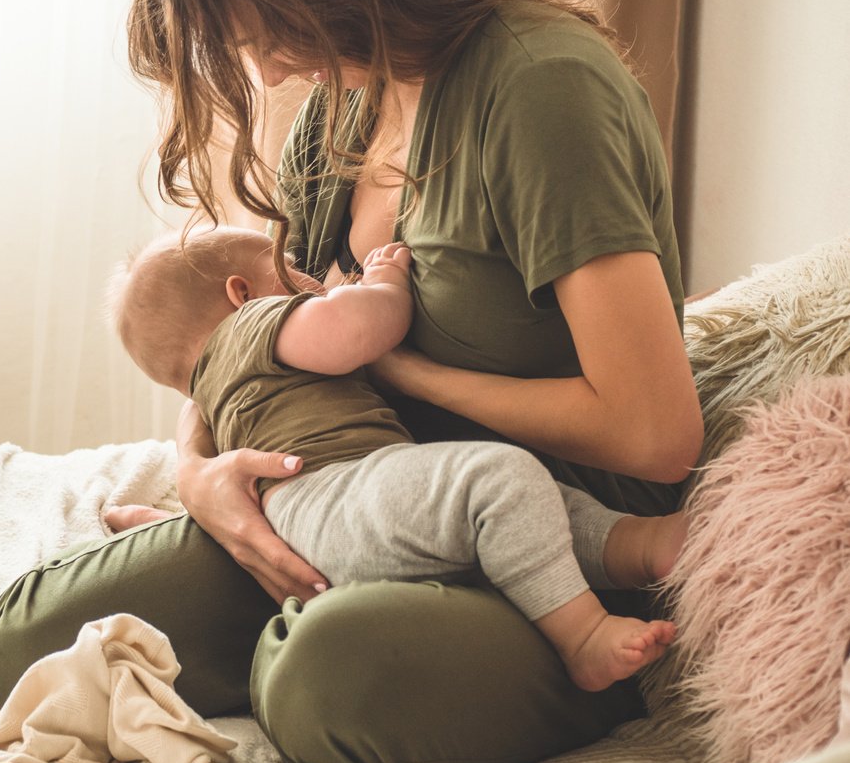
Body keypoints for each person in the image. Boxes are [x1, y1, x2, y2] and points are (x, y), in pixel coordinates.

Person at [0, 0, 704, 763]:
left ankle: (565, 666)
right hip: (360, 510)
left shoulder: (539, 86)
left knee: (324, 680)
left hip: (548, 549)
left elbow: (656, 433)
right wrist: (201, 477)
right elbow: (258, 332)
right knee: (27, 644)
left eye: (266, 33)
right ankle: (350, 631)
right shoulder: (341, 110)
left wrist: (411, 374)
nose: (267, 67)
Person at [109, 225, 681, 692]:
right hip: (336, 496)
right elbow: (354, 330)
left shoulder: (213, 395)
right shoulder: (252, 325)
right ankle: (583, 635)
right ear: (243, 295)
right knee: (499, 480)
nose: (313, 279)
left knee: (523, 513)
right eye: (291, 266)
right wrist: (384, 282)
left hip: (315, 530)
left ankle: (647, 546)